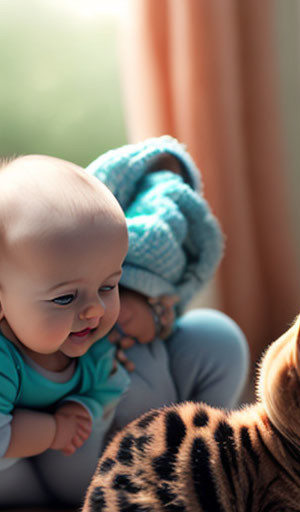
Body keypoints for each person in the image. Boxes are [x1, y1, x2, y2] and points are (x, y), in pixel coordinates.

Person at [87, 137, 249, 448]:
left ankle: (209, 446)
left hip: (154, 377)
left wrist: (157, 317)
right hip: (87, 415)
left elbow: (171, 302)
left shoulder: (155, 317)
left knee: (221, 337)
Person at [0, 156, 130, 507]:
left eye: (108, 286)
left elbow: (110, 387)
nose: (95, 310)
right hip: (14, 442)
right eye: (66, 297)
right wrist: (53, 431)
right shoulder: (3, 360)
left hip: (57, 435)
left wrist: (84, 408)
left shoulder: (93, 342)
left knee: (78, 481)